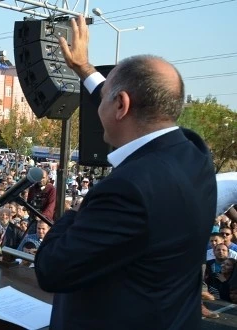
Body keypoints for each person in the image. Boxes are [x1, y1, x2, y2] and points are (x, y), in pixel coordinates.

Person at [34, 15, 217, 329]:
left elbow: (51, 269)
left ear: (120, 105)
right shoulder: (194, 153)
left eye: (106, 98)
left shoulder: (127, 190)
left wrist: (80, 209)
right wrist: (84, 69)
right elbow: (119, 96)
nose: (100, 102)